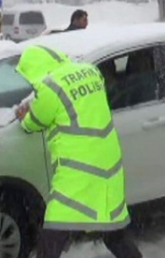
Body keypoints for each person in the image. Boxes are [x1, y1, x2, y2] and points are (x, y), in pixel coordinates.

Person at [14, 46, 142, 258]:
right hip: (108, 165)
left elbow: (34, 122)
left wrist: (23, 115)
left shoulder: (50, 87)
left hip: (77, 171)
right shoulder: (90, 71)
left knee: (53, 232)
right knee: (112, 230)